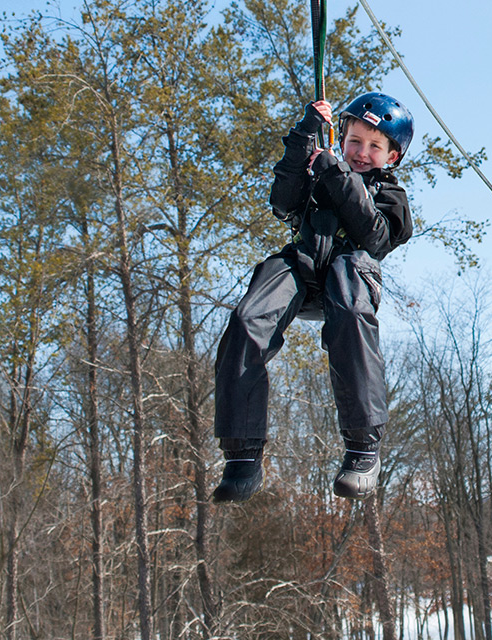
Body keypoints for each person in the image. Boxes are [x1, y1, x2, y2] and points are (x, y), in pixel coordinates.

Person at [211, 92, 414, 503]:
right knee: (248, 318)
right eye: (355, 141)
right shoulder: (320, 171)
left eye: (375, 147)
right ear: (342, 138)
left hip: (350, 274)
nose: (361, 153)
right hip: (303, 268)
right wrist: (304, 137)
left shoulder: (392, 198)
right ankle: (242, 452)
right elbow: (283, 202)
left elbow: (373, 234)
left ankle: (362, 444)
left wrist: (337, 175)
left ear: (391, 157)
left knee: (349, 298)